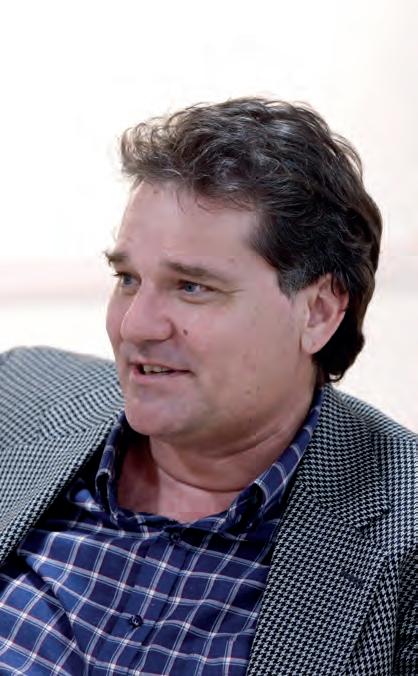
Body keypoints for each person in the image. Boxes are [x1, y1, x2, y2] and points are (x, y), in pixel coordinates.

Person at [0, 98, 415, 676]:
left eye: (192, 287)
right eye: (127, 279)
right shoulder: (18, 396)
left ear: (318, 312)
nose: (136, 326)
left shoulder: (401, 532)